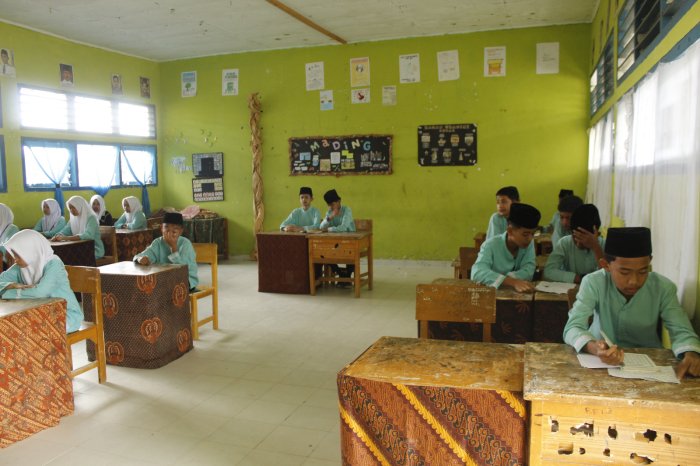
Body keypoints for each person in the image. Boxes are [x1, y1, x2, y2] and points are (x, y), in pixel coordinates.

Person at [563, 227, 700, 379]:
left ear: (650, 262)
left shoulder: (663, 287)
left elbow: (682, 330)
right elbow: (573, 327)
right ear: (605, 265)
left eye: (643, 271)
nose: (634, 281)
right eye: (624, 272)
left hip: (649, 366)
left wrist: (691, 352)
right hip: (599, 363)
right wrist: (594, 348)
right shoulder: (594, 282)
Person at [0, 230, 83, 332]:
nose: (15, 259)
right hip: (40, 313)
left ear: (30, 251)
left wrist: (7, 293)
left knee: (28, 331)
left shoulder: (54, 264)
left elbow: (40, 292)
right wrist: (10, 285)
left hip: (67, 315)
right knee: (17, 328)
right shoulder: (21, 267)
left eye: (18, 255)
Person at [471, 203, 540, 292]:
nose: (530, 239)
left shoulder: (528, 243)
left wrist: (509, 278)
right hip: (492, 295)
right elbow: (477, 273)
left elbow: (529, 269)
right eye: (525, 234)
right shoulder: (490, 245)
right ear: (510, 231)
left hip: (515, 296)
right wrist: (512, 282)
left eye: (533, 234)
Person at [133, 212, 198, 291]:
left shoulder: (185, 244)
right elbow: (138, 256)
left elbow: (182, 270)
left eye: (174, 230)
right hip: (164, 280)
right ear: (161, 228)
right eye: (166, 228)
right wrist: (140, 259)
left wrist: (173, 246)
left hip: (186, 281)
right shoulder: (157, 243)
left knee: (160, 289)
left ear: (181, 231)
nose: (169, 232)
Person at [543, 204, 605, 284]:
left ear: (596, 234)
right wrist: (578, 278)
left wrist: (596, 247)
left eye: (583, 241)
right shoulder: (564, 243)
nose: (578, 244)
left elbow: (607, 277)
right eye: (575, 238)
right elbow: (548, 272)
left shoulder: (604, 245)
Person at [320, 189, 356, 283]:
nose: (331, 207)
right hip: (335, 242)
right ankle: (341, 273)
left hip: (349, 241)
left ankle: (346, 275)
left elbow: (343, 228)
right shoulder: (330, 212)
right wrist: (330, 217)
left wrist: (329, 229)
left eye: (332, 204)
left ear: (339, 201)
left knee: (351, 253)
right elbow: (321, 227)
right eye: (329, 205)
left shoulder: (347, 210)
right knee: (324, 253)